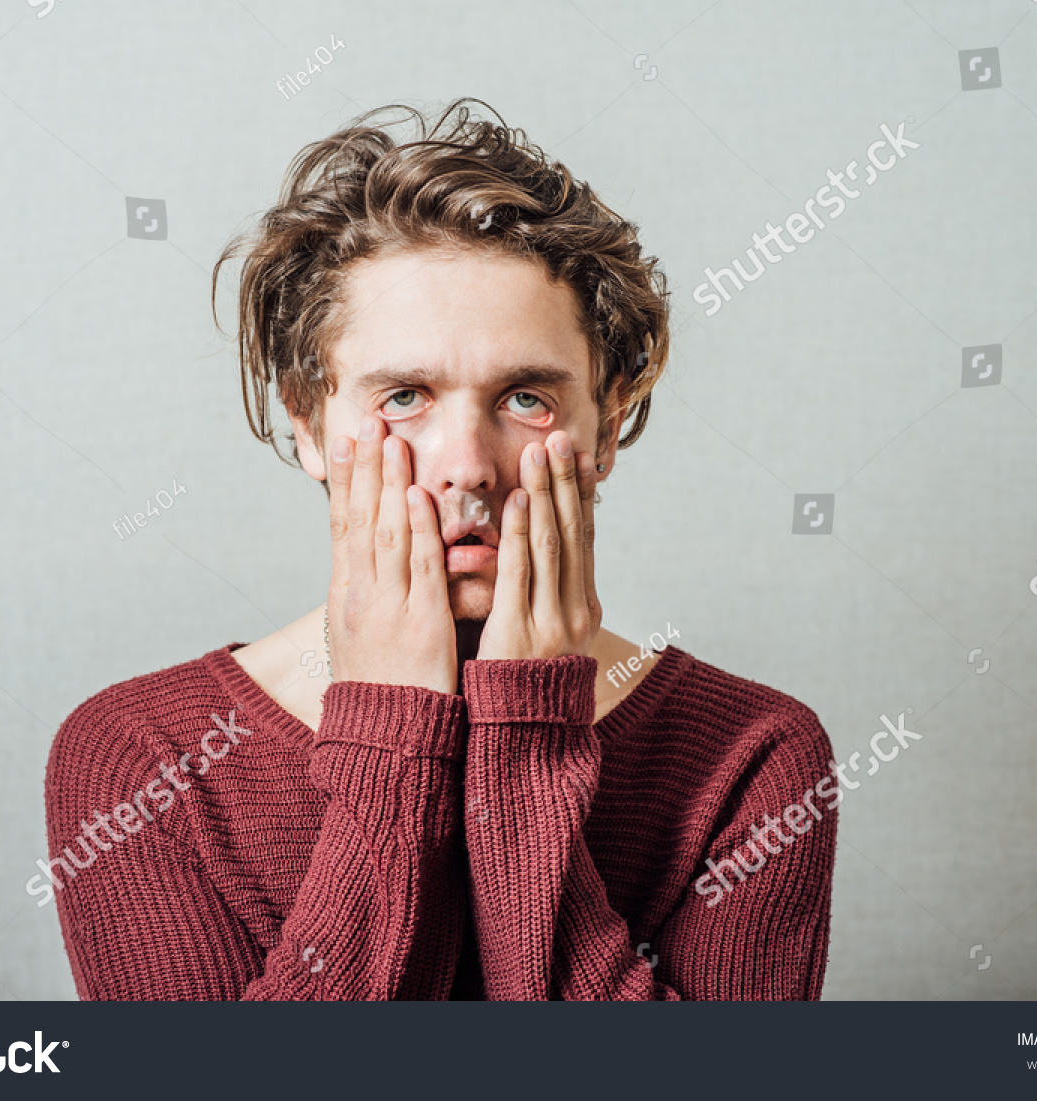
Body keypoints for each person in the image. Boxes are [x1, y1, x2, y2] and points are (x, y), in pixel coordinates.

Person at [42, 98, 837, 1000]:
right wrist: (390, 736)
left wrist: (528, 740)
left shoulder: (754, 757)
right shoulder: (142, 758)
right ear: (308, 424)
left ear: (607, 424)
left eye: (526, 398)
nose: (467, 469)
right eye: (405, 398)